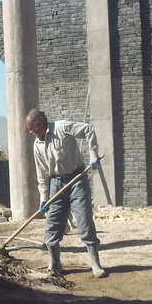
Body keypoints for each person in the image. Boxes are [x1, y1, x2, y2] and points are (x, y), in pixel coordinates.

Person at [25, 109, 108, 278]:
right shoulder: (37, 145)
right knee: (52, 224)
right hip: (56, 184)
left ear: (40, 124)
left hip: (77, 179)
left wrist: (93, 154)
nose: (30, 132)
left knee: (84, 221)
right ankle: (55, 264)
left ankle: (95, 264)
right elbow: (42, 174)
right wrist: (43, 198)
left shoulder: (62, 128)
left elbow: (87, 129)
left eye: (31, 128)